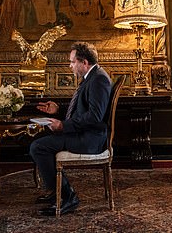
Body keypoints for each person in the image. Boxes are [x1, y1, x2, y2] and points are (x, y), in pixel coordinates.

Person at [29, 42, 111, 216]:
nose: (70, 66)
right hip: (84, 134)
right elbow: (83, 110)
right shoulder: (92, 77)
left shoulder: (99, 79)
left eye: (72, 62)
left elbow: (95, 116)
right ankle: (55, 191)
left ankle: (68, 196)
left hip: (90, 139)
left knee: (38, 147)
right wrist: (58, 110)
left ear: (84, 63)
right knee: (36, 137)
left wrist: (63, 125)